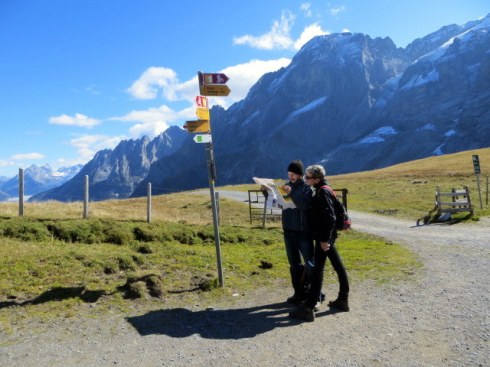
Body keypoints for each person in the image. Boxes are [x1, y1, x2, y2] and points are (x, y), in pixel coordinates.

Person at [290, 164, 350, 322]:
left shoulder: (322, 192)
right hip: (328, 236)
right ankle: (343, 299)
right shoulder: (324, 189)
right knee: (338, 266)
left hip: (324, 237)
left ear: (316, 179)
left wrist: (324, 240)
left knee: (318, 270)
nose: (305, 179)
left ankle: (309, 308)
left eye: (308, 177)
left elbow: (330, 218)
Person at [281, 160, 314, 305]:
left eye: (293, 174)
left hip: (303, 231)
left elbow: (304, 206)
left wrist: (292, 193)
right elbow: (278, 203)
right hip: (288, 230)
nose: (291, 177)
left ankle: (313, 294)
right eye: (289, 174)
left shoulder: (307, 188)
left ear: (300, 175)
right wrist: (266, 192)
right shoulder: (285, 186)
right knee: (294, 264)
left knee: (310, 263)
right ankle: (298, 293)